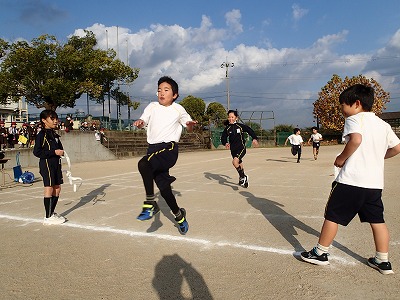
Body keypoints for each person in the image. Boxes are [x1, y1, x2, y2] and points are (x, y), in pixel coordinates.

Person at [300, 84, 400, 275]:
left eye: (343, 106)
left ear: (356, 103)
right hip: (374, 185)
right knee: (377, 221)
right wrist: (379, 157)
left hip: (351, 181)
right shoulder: (383, 124)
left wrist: (341, 158)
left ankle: (320, 252)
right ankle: (383, 260)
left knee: (333, 216)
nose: (342, 110)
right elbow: (397, 148)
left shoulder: (354, 119)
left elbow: (356, 140)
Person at [133, 76, 197, 235]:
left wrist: (190, 125)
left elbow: (188, 126)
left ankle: (150, 203)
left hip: (168, 149)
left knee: (143, 164)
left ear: (174, 95)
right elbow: (144, 120)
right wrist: (140, 122)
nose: (161, 93)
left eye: (166, 90)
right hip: (153, 150)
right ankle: (179, 215)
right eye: (159, 90)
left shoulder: (178, 109)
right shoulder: (152, 106)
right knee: (164, 188)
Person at [33, 110, 66, 225]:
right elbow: (37, 152)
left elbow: (59, 149)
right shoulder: (41, 135)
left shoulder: (54, 134)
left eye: (56, 118)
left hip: (56, 163)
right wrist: (53, 152)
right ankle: (47, 217)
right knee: (49, 187)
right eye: (52, 119)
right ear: (44, 120)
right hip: (47, 163)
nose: (55, 121)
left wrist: (61, 152)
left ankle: (51, 212)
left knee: (57, 188)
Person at [220, 110, 259, 188]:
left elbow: (249, 130)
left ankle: (243, 177)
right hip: (233, 149)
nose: (230, 119)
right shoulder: (228, 128)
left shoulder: (240, 126)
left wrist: (254, 138)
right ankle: (243, 178)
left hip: (241, 148)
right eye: (229, 117)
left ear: (236, 118)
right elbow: (223, 137)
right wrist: (225, 143)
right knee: (239, 163)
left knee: (234, 162)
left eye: (232, 117)